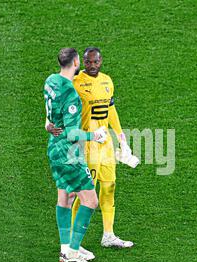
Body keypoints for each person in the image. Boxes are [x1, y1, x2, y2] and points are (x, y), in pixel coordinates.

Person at [47, 47, 135, 250]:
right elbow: (58, 102)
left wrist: (121, 138)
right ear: (82, 63)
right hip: (85, 142)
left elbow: (111, 109)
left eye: (96, 62)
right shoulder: (75, 83)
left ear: (101, 61)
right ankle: (72, 243)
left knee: (109, 186)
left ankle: (108, 234)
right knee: (85, 193)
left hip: (105, 143)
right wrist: (49, 122)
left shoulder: (107, 81)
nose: (92, 65)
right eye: (88, 62)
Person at [44, 48, 107, 262]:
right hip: (69, 153)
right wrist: (95, 136)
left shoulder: (50, 81)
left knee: (66, 196)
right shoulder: (70, 94)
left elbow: (49, 113)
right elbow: (72, 134)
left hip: (53, 149)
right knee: (90, 201)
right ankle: (72, 253)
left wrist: (48, 124)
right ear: (76, 62)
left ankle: (66, 248)